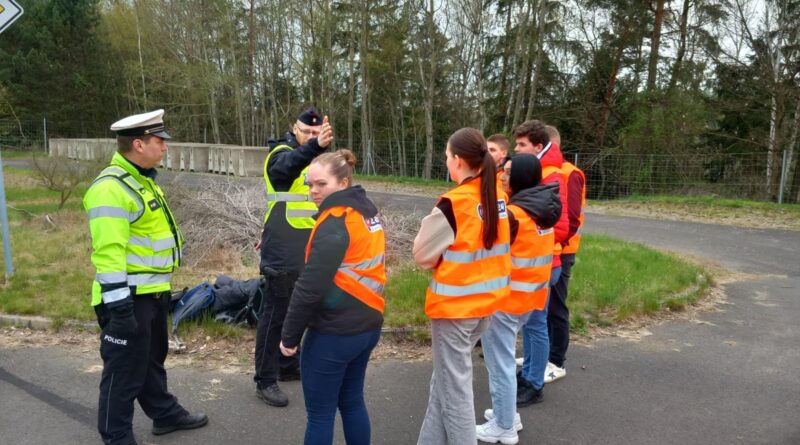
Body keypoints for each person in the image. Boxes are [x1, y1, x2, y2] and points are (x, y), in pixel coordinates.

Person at [84, 109, 208, 445]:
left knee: (151, 363)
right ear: (138, 144)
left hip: (152, 292)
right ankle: (116, 436)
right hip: (128, 297)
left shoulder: (141, 181)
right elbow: (108, 254)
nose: (165, 147)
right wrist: (120, 309)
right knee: (123, 373)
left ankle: (164, 414)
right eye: (159, 141)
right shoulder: (111, 188)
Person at [279, 149, 385, 445]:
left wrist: (289, 337)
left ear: (343, 182)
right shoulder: (366, 212)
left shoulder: (335, 222)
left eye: (321, 184)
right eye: (310, 184)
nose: (313, 191)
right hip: (368, 323)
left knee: (320, 415)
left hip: (334, 332)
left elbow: (309, 288)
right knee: (352, 402)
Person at [413, 128, 511, 445]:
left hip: (455, 312)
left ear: (457, 160)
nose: (446, 162)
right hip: (484, 308)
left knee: (455, 395)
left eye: (446, 156)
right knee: (443, 386)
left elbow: (422, 256)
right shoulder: (497, 196)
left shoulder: (453, 204)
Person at [477, 154, 561, 444]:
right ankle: (508, 414)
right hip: (531, 298)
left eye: (509, 172)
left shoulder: (514, 215)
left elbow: (489, 252)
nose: (502, 175)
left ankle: (504, 426)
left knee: (499, 364)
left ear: (522, 177)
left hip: (506, 301)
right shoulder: (542, 211)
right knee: (504, 361)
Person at [254, 106, 333, 407]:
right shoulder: (280, 153)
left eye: (316, 133)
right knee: (275, 315)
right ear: (294, 129)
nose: (311, 137)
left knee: (297, 310)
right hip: (282, 249)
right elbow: (285, 170)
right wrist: (316, 146)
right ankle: (265, 380)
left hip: (306, 247)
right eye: (306, 132)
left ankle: (287, 365)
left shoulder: (315, 159)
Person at [511, 119, 569, 406]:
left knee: (536, 324)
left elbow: (562, 225)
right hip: (542, 263)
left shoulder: (552, 175)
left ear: (538, 146)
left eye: (521, 144)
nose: (516, 149)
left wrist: (534, 233)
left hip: (544, 265)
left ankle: (534, 383)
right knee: (533, 323)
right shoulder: (541, 174)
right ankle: (530, 375)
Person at [543, 125, 586, 384]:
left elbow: (571, 217)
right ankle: (543, 355)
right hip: (548, 249)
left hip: (563, 250)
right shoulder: (549, 172)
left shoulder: (570, 173)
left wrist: (556, 242)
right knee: (543, 306)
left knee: (557, 306)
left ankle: (557, 361)